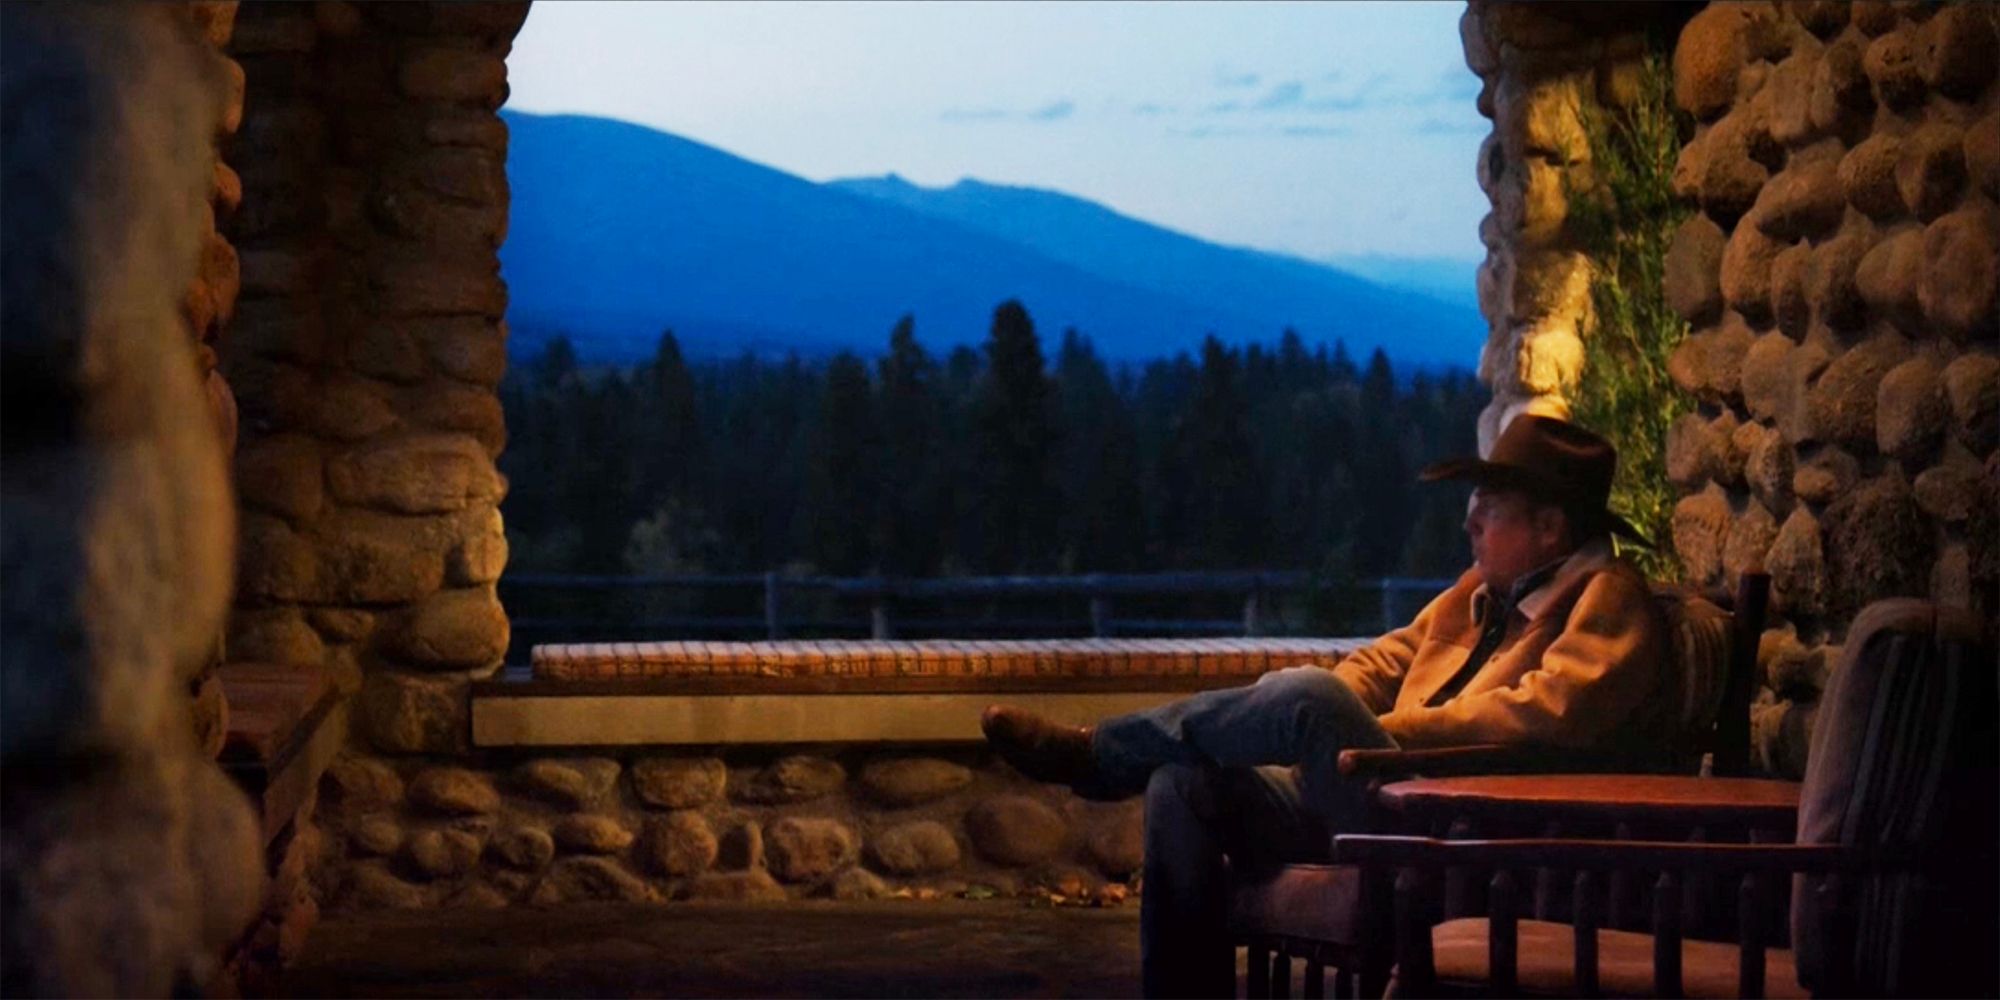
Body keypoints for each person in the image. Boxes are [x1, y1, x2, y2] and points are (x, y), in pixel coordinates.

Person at [980, 414, 1670, 998]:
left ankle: (1098, 754)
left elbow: (1545, 714)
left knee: (1310, 697)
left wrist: (1376, 735)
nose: (1470, 519)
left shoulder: (1608, 599)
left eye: (1490, 503)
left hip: (1459, 827)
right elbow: (1383, 660)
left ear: (1550, 528)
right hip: (1379, 792)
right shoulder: (1479, 591)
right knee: (1183, 784)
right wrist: (1327, 709)